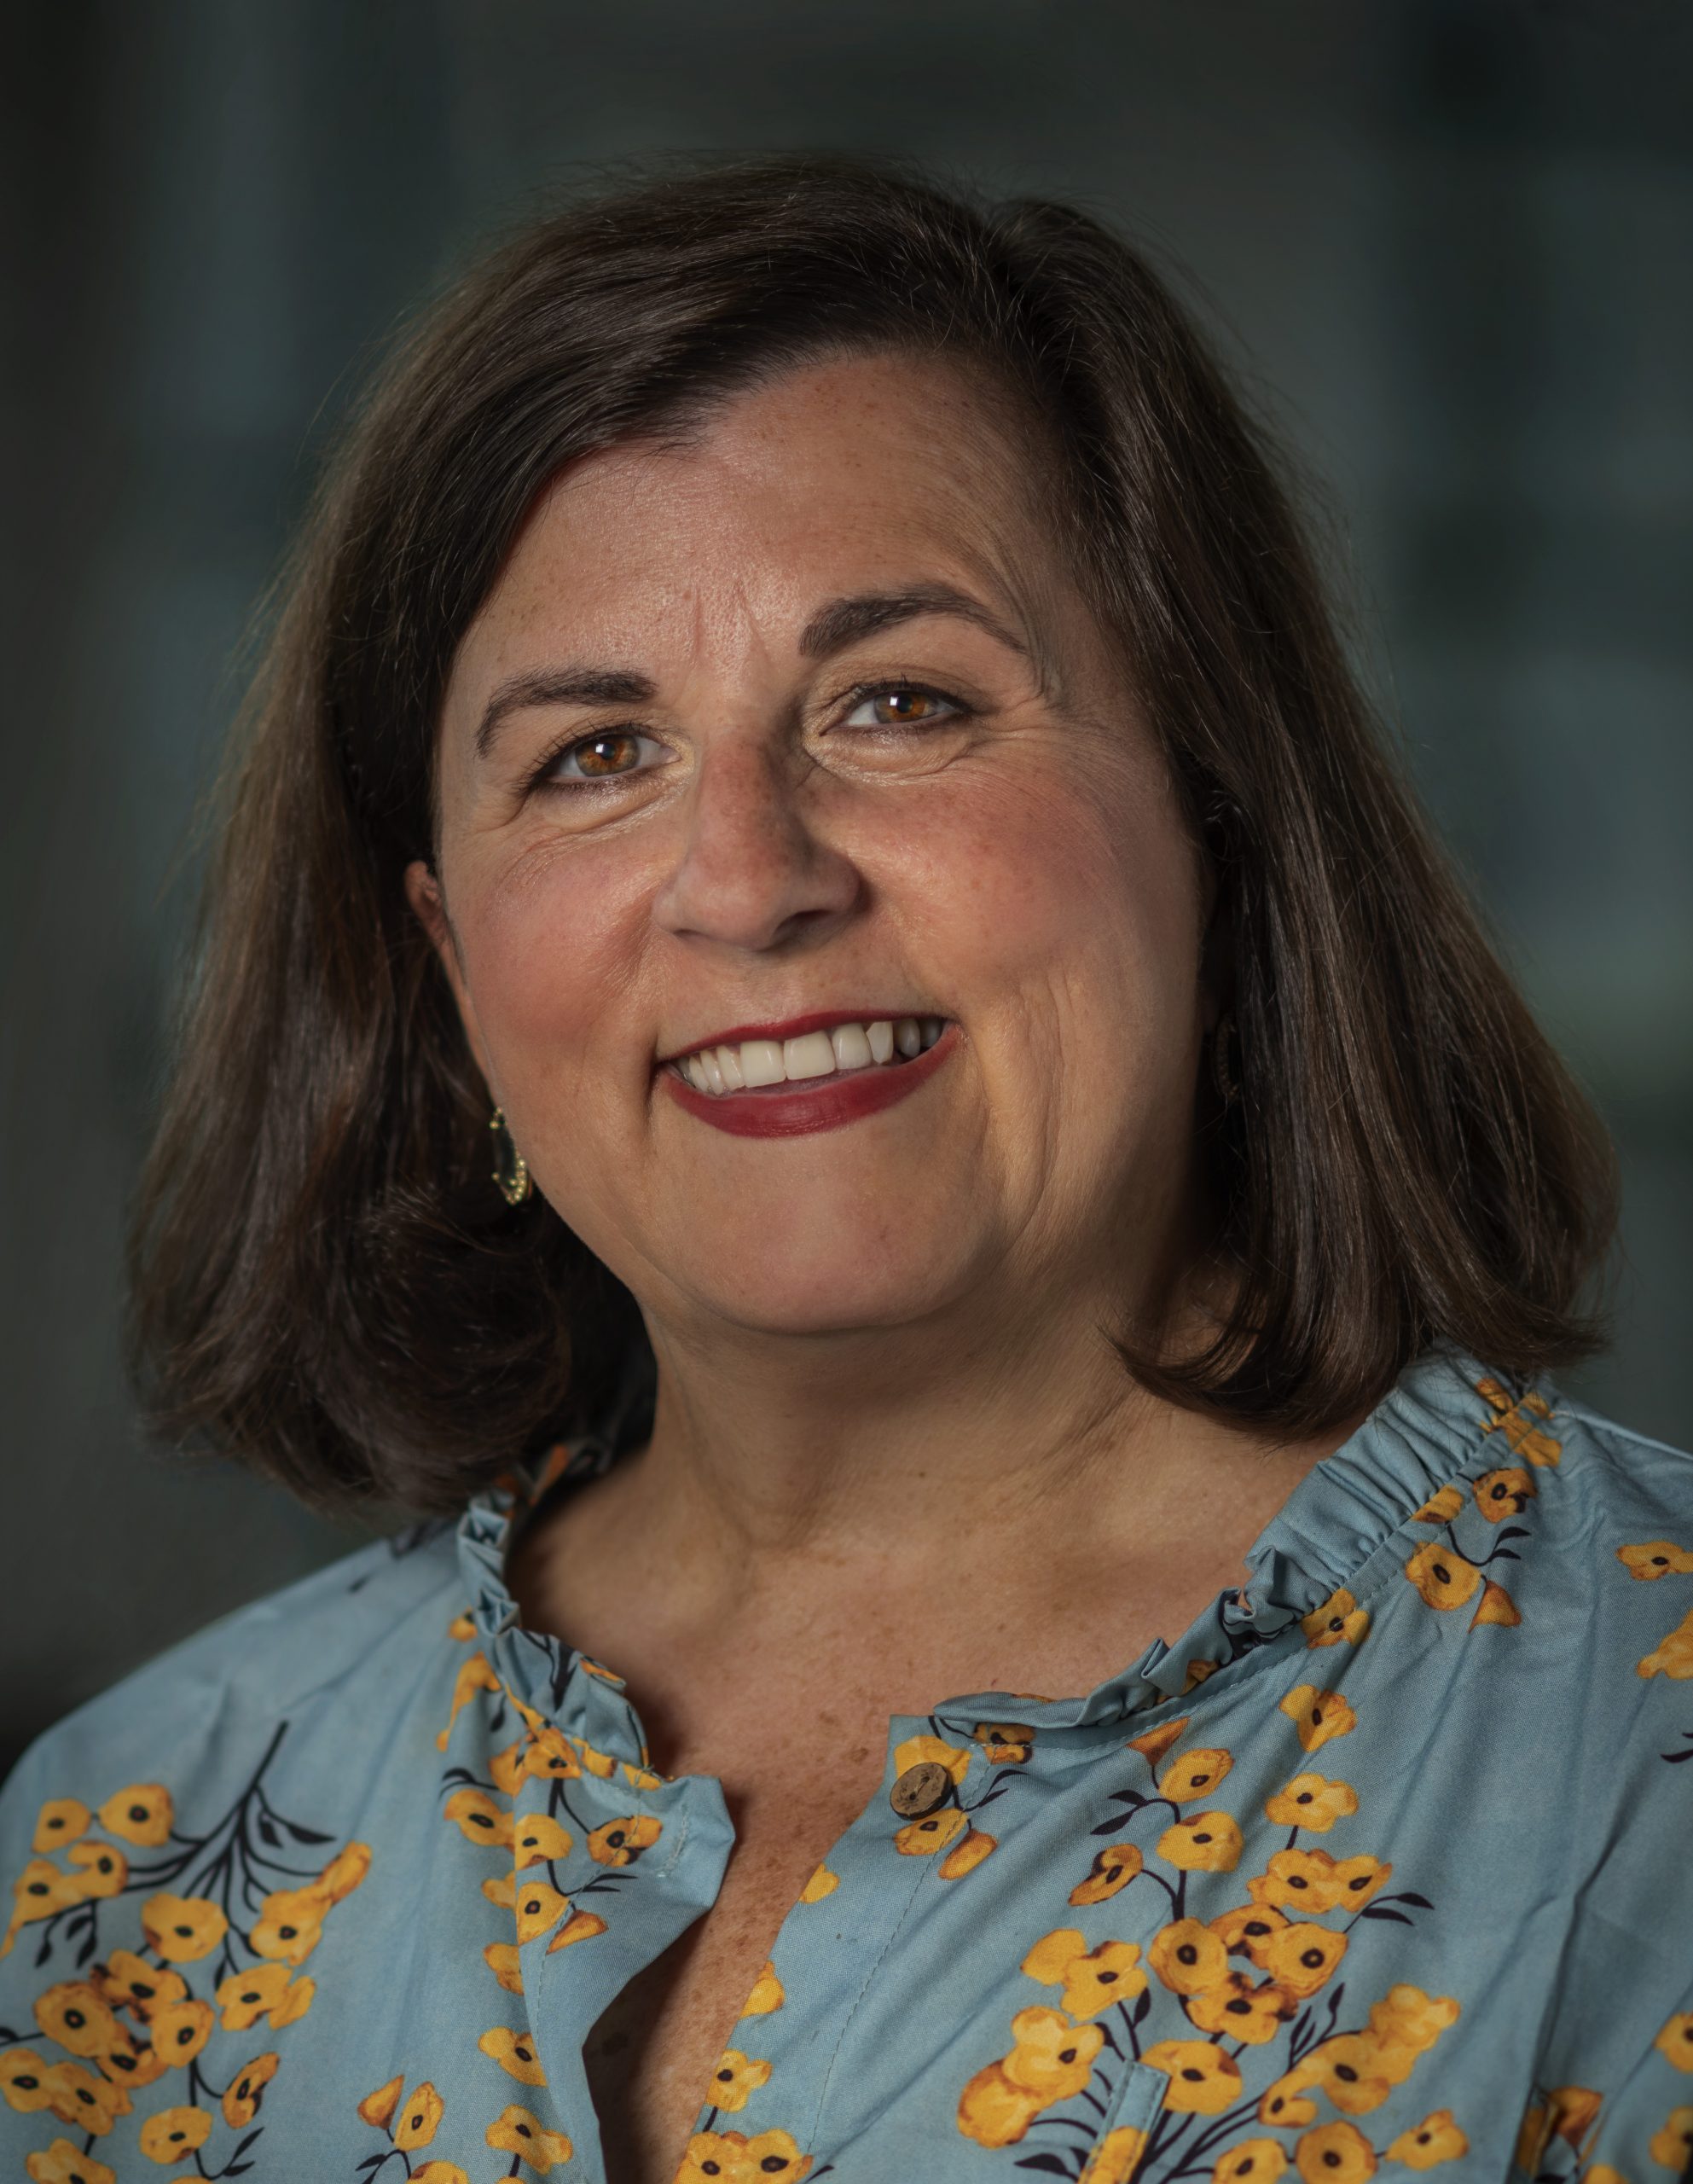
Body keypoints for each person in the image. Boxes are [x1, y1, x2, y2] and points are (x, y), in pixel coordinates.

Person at [1, 154, 1688, 2184]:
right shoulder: (127, 1843)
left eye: (901, 702)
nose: (748, 880)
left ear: (1221, 811)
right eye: (592, 754)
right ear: (451, 967)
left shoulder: (1646, 1747)